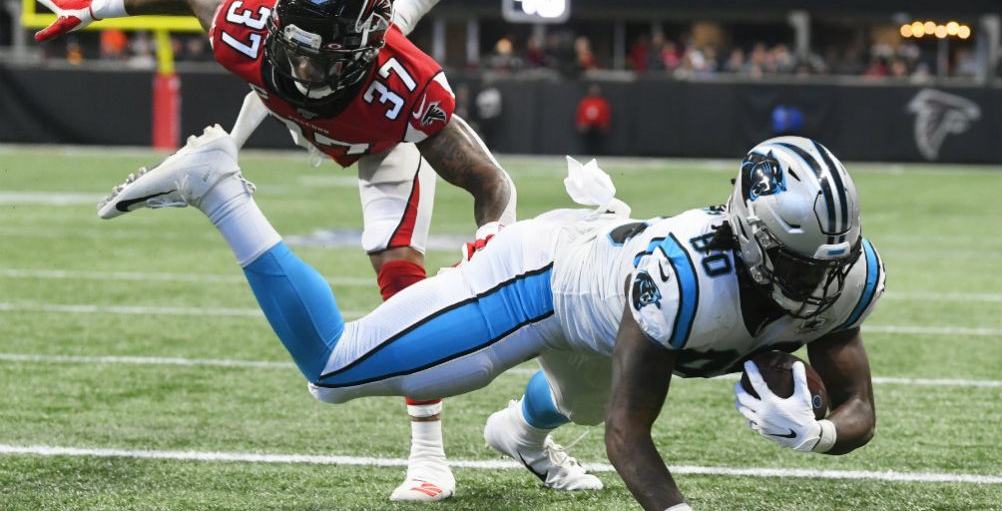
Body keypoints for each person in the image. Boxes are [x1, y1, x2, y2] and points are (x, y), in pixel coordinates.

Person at [96, 130, 884, 510]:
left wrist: (818, 435)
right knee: (334, 370)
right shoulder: (681, 279)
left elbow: (860, 409)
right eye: (799, 264)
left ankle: (520, 435)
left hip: (605, 311)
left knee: (571, 400)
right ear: (750, 236)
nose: (818, 286)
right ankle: (217, 183)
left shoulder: (840, 273)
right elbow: (629, 431)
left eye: (828, 265)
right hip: (536, 281)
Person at [30, 0, 518, 502]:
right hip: (307, 116)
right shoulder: (250, 26)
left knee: (401, 283)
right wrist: (91, 10)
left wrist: (495, 238)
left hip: (378, 146)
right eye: (297, 48)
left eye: (325, 57)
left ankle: (428, 457)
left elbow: (492, 182)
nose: (306, 70)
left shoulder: (404, 89)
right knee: (331, 64)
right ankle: (220, 159)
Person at [575, 84, 611, 155]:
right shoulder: (585, 102)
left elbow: (605, 113)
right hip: (587, 126)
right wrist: (582, 123)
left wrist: (604, 124)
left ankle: (598, 155)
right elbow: (581, 113)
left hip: (598, 126)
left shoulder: (602, 102)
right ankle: (586, 155)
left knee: (598, 143)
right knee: (587, 143)